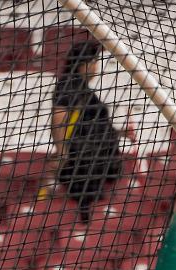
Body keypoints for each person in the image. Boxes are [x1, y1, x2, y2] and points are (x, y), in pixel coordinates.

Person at [46, 38, 122, 221]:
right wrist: (62, 152)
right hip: (81, 164)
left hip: (95, 161)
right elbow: (59, 120)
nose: (96, 67)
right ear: (81, 65)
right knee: (85, 211)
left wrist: (119, 133)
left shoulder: (83, 90)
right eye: (93, 62)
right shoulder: (68, 87)